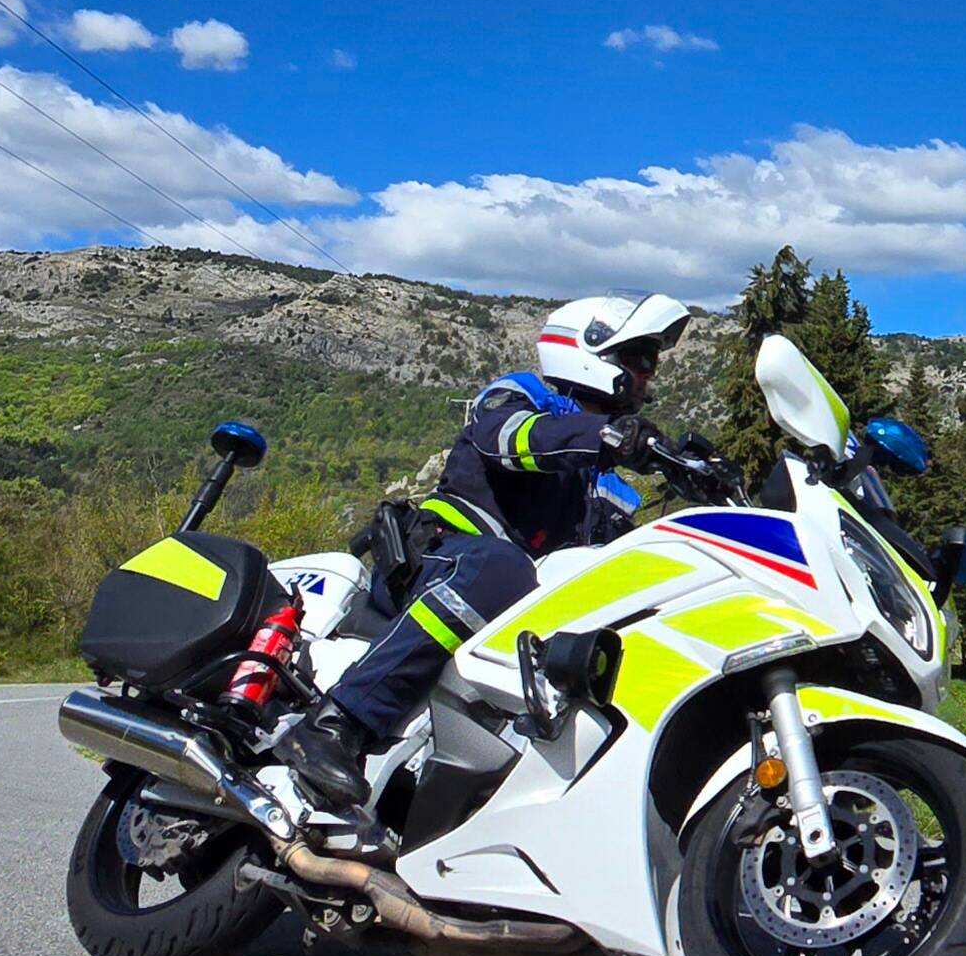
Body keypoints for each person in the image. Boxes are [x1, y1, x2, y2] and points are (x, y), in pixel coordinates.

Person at [272, 292, 690, 807]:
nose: (649, 374)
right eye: (641, 358)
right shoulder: (520, 398)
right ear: (592, 351)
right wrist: (605, 434)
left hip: (509, 620)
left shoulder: (611, 487)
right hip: (436, 567)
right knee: (503, 567)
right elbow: (508, 441)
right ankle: (335, 725)